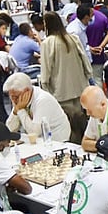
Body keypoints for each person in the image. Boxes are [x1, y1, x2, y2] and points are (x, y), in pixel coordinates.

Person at [39, 11, 92, 143]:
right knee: (82, 123)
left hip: (61, 92)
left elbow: (46, 70)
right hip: (80, 88)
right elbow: (85, 61)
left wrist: (45, 88)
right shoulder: (73, 38)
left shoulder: (48, 43)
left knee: (69, 127)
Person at [4, 72, 72, 143]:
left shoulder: (43, 100)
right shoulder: (19, 100)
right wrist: (15, 111)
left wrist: (20, 110)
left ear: (27, 91)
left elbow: (34, 133)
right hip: (39, 140)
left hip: (56, 140)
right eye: (11, 97)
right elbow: (9, 130)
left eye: (16, 97)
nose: (14, 100)